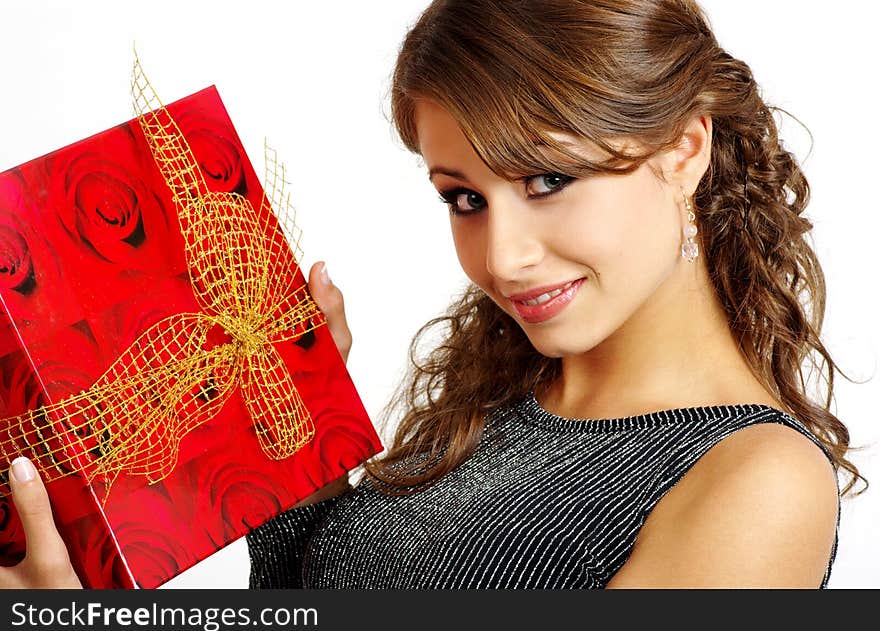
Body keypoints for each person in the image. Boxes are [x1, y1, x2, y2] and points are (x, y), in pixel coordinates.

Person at [1, 0, 866, 590]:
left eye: (549, 178)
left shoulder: (757, 481)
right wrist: (296, 437)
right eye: (464, 198)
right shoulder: (493, 400)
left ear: (683, 148)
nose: (505, 255)